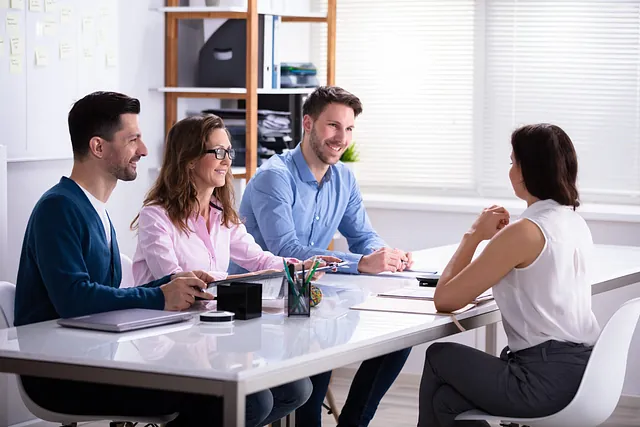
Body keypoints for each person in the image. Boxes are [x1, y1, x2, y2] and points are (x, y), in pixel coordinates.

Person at [15, 91, 241, 427]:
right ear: (98, 147)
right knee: (212, 396)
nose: (145, 150)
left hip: (97, 358)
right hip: (60, 374)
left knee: (223, 391)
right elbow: (75, 299)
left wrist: (171, 283)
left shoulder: (96, 211)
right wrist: (159, 294)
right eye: (133, 139)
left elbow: (101, 296)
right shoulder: (59, 208)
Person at [130, 113, 339, 426]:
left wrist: (298, 267)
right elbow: (179, 282)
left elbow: (258, 258)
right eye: (218, 152)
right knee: (256, 402)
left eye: (229, 151)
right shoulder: (155, 217)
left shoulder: (219, 213)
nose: (226, 160)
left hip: (214, 333)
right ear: (188, 160)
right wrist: (234, 281)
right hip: (170, 340)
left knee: (297, 389)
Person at [236, 85, 413, 427]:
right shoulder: (275, 177)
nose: (341, 138)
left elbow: (362, 235)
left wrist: (387, 255)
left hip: (308, 297)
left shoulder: (343, 178)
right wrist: (360, 264)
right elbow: (286, 250)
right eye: (333, 126)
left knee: (398, 337)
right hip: (261, 302)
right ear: (308, 123)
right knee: (319, 344)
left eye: (348, 129)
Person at [418, 123, 601, 427]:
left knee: (439, 356)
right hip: (585, 372)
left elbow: (445, 299)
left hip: (543, 381)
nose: (511, 169)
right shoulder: (572, 221)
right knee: (446, 402)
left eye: (513, 161)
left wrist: (474, 235)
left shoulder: (525, 233)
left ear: (527, 170)